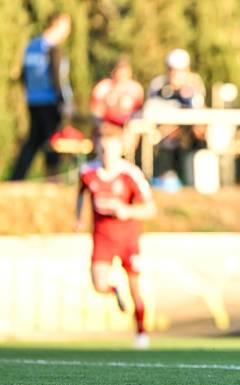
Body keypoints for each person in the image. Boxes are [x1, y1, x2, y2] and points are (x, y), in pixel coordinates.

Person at [76, 134, 156, 348]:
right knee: (99, 284)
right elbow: (80, 195)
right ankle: (114, 290)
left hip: (128, 239)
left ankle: (141, 334)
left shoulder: (130, 174)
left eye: (110, 150)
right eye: (102, 150)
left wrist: (127, 211)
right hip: (102, 238)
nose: (106, 155)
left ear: (120, 150)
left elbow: (150, 208)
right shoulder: (87, 172)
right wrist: (79, 218)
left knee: (135, 290)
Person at [11, 12, 73, 180]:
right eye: (66, 27)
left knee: (33, 140)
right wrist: (64, 103)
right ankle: (53, 178)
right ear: (57, 24)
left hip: (33, 101)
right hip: (50, 101)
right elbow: (57, 77)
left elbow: (23, 75)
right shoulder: (52, 49)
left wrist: (29, 94)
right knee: (52, 140)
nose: (68, 32)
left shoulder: (31, 46)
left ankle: (17, 177)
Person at [147, 48, 206, 189]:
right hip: (164, 133)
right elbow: (151, 109)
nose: (175, 74)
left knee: (200, 133)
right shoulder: (159, 85)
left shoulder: (194, 83)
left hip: (187, 132)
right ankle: (163, 175)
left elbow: (200, 108)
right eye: (172, 69)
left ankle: (193, 178)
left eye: (179, 70)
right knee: (161, 137)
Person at [90, 58, 144, 154]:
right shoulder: (103, 87)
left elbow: (138, 114)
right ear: (113, 72)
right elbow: (96, 113)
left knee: (130, 135)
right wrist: (104, 126)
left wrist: (125, 129)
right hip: (106, 128)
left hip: (126, 129)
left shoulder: (135, 89)